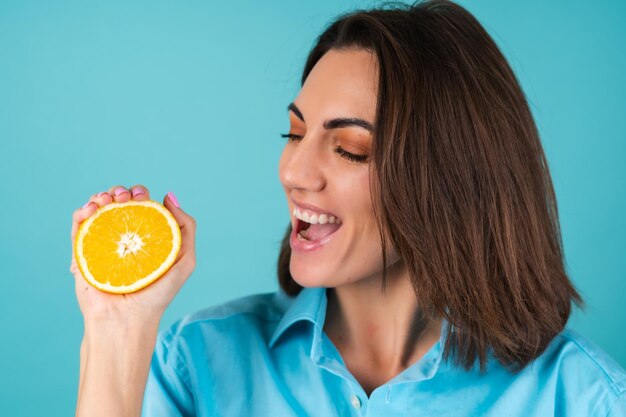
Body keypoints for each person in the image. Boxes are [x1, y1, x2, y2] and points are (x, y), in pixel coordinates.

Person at [70, 1, 626, 416]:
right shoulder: (198, 362)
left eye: (349, 149)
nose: (293, 172)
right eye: (293, 134)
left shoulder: (580, 397)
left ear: (451, 179)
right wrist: (116, 328)